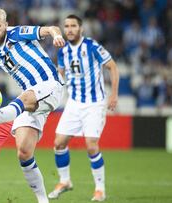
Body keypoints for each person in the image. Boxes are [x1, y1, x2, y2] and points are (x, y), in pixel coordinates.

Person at [0, 6, 65, 203]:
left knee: (23, 99)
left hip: (50, 85)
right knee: (24, 152)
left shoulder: (17, 33)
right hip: (31, 98)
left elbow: (50, 29)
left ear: (6, 25)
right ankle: (43, 201)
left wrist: (56, 36)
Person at [47, 15, 119, 202]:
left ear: (81, 29)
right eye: (66, 26)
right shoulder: (62, 50)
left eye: (73, 26)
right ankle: (65, 181)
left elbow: (112, 67)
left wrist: (114, 94)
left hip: (94, 103)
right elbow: (60, 75)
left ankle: (100, 190)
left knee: (91, 145)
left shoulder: (92, 47)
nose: (69, 29)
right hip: (74, 103)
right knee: (59, 143)